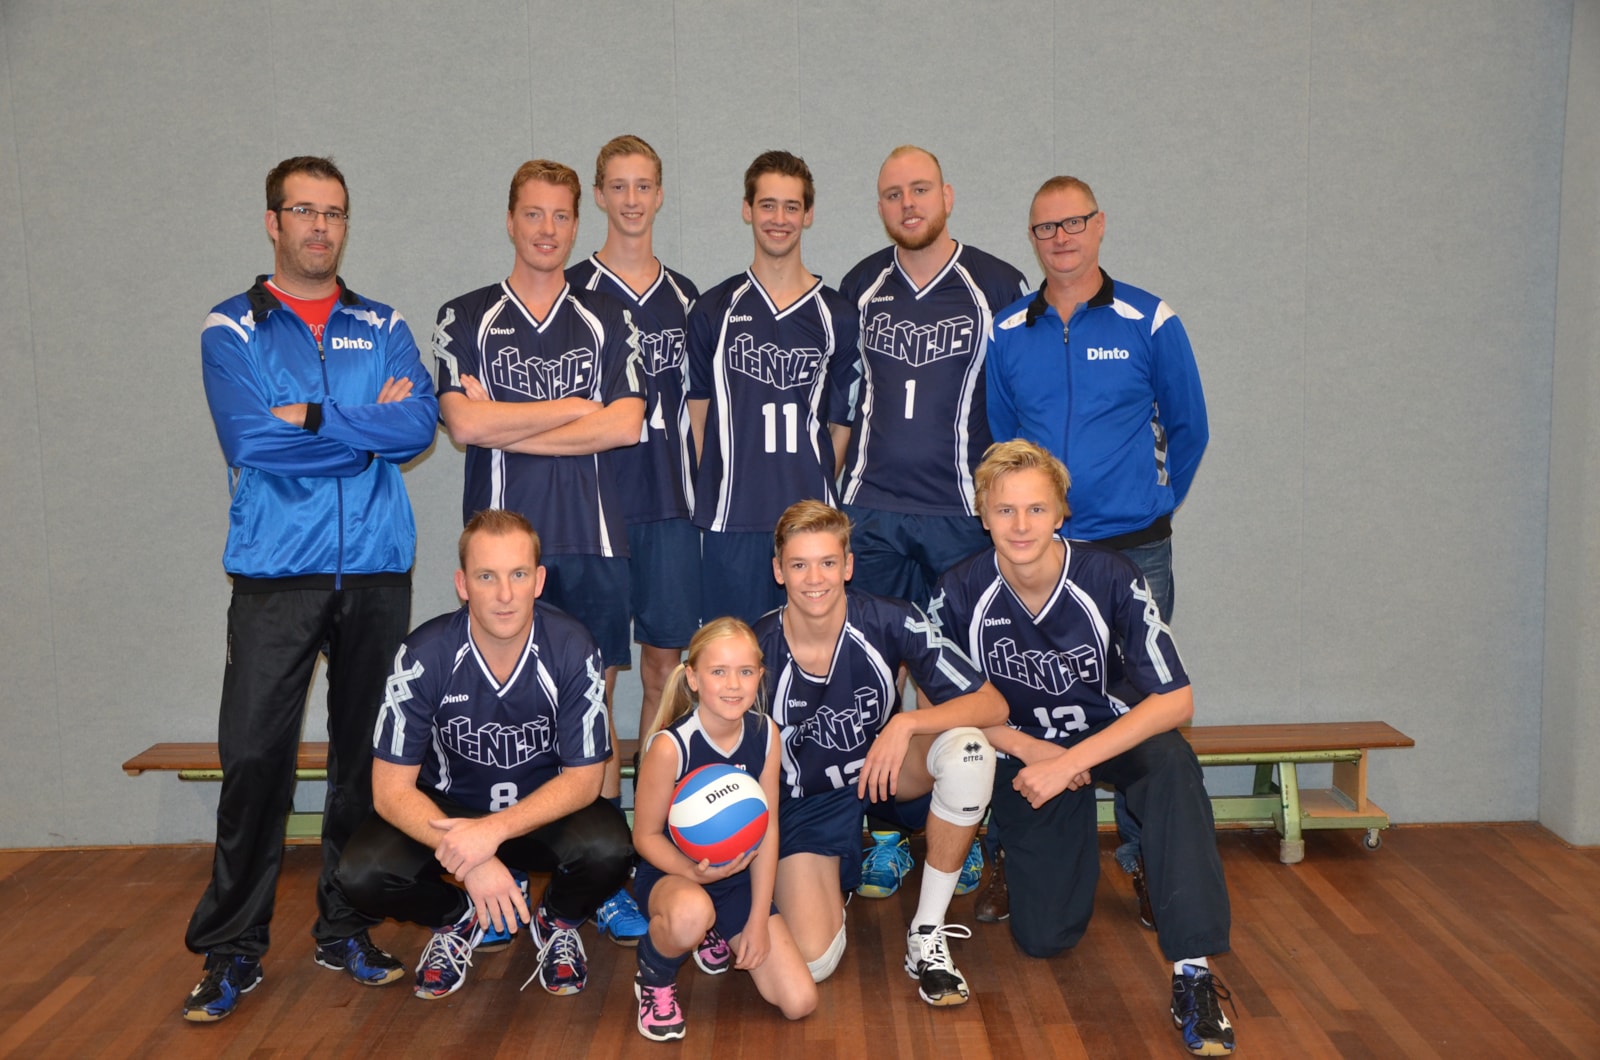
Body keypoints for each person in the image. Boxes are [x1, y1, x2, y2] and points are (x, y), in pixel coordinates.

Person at [182, 156, 439, 1023]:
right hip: (274, 571)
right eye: (303, 211)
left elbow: (418, 424)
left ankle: (345, 929)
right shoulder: (232, 326)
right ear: (273, 222)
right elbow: (250, 441)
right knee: (255, 760)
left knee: (365, 764)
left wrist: (321, 418)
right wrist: (366, 437)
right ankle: (231, 949)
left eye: (333, 212)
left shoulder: (382, 322)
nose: (320, 227)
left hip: (375, 569)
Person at [934, 441, 1235, 1055]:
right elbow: (945, 707)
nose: (1022, 525)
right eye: (1005, 510)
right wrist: (1035, 753)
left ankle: (1194, 973)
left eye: (1036, 509)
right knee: (1045, 938)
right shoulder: (958, 591)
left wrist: (1074, 760)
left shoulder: (1110, 576)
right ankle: (1031, 856)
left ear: (1061, 512)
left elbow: (1177, 700)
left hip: (1106, 739)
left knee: (1172, 763)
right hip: (1025, 755)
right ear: (982, 513)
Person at [985, 175, 1210, 922]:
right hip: (1037, 558)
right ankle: (1014, 855)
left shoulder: (1150, 319)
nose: (1061, 238)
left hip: (1131, 551)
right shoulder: (1009, 330)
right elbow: (1003, 442)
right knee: (1024, 698)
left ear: (1100, 224)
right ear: (1032, 238)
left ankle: (1145, 862)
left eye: (1073, 222)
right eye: (1045, 228)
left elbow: (1189, 425)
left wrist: (1153, 502)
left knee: (1140, 706)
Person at [433, 159, 648, 942]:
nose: (547, 229)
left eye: (560, 215)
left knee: (595, 715)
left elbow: (624, 424)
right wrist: (569, 408)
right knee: (505, 712)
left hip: (594, 544)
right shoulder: (465, 316)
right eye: (533, 214)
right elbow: (464, 425)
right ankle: (512, 876)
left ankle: (604, 880)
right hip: (502, 555)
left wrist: (509, 419)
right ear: (510, 219)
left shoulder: (609, 319)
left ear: (576, 224)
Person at [835, 144, 1030, 905]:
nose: (908, 204)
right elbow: (842, 405)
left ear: (947, 195)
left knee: (953, 676)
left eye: (920, 190)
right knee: (870, 676)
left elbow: (1018, 399)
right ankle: (884, 835)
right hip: (873, 508)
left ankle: (958, 829)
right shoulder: (861, 285)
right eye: (893, 194)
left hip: (959, 513)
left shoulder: (997, 284)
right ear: (880, 205)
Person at [338, 510, 635, 1000]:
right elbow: (389, 792)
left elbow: (584, 781)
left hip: (540, 811)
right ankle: (458, 920)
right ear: (462, 584)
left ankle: (556, 921)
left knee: (611, 851)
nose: (504, 594)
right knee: (361, 874)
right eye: (486, 577)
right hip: (449, 812)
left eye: (518, 574)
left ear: (539, 581)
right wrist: (472, 861)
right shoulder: (423, 655)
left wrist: (490, 834)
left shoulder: (573, 647)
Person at [758, 501, 1007, 1007]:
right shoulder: (756, 648)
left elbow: (991, 704)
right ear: (779, 571)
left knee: (970, 750)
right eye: (800, 564)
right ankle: (832, 876)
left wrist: (906, 722)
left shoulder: (893, 619)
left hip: (886, 773)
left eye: (828, 562)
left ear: (848, 566)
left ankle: (926, 933)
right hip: (807, 803)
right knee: (813, 962)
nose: (815, 579)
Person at [567, 135, 702, 804]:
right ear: (598, 195)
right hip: (594, 506)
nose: (631, 199)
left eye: (642, 185)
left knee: (663, 669)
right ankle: (597, 817)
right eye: (617, 186)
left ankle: (647, 821)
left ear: (660, 194)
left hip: (670, 504)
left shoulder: (687, 296)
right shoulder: (572, 292)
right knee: (596, 674)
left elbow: (702, 411)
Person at [687, 151, 859, 627]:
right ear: (747, 210)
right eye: (767, 205)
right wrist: (726, 478)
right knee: (731, 652)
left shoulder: (838, 315)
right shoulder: (713, 310)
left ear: (808, 214)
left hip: (811, 525)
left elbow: (841, 424)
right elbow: (699, 414)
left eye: (791, 206)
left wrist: (810, 483)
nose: (779, 219)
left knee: (811, 650)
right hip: (731, 518)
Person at [630, 618, 817, 1041]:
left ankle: (713, 928)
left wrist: (757, 919)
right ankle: (655, 975)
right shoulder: (670, 746)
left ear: (760, 676)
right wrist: (692, 872)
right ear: (693, 678)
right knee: (690, 914)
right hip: (674, 874)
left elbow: (767, 829)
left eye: (745, 671)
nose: (733, 685)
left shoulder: (765, 733)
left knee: (799, 1001)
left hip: (736, 881)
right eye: (718, 671)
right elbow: (644, 837)